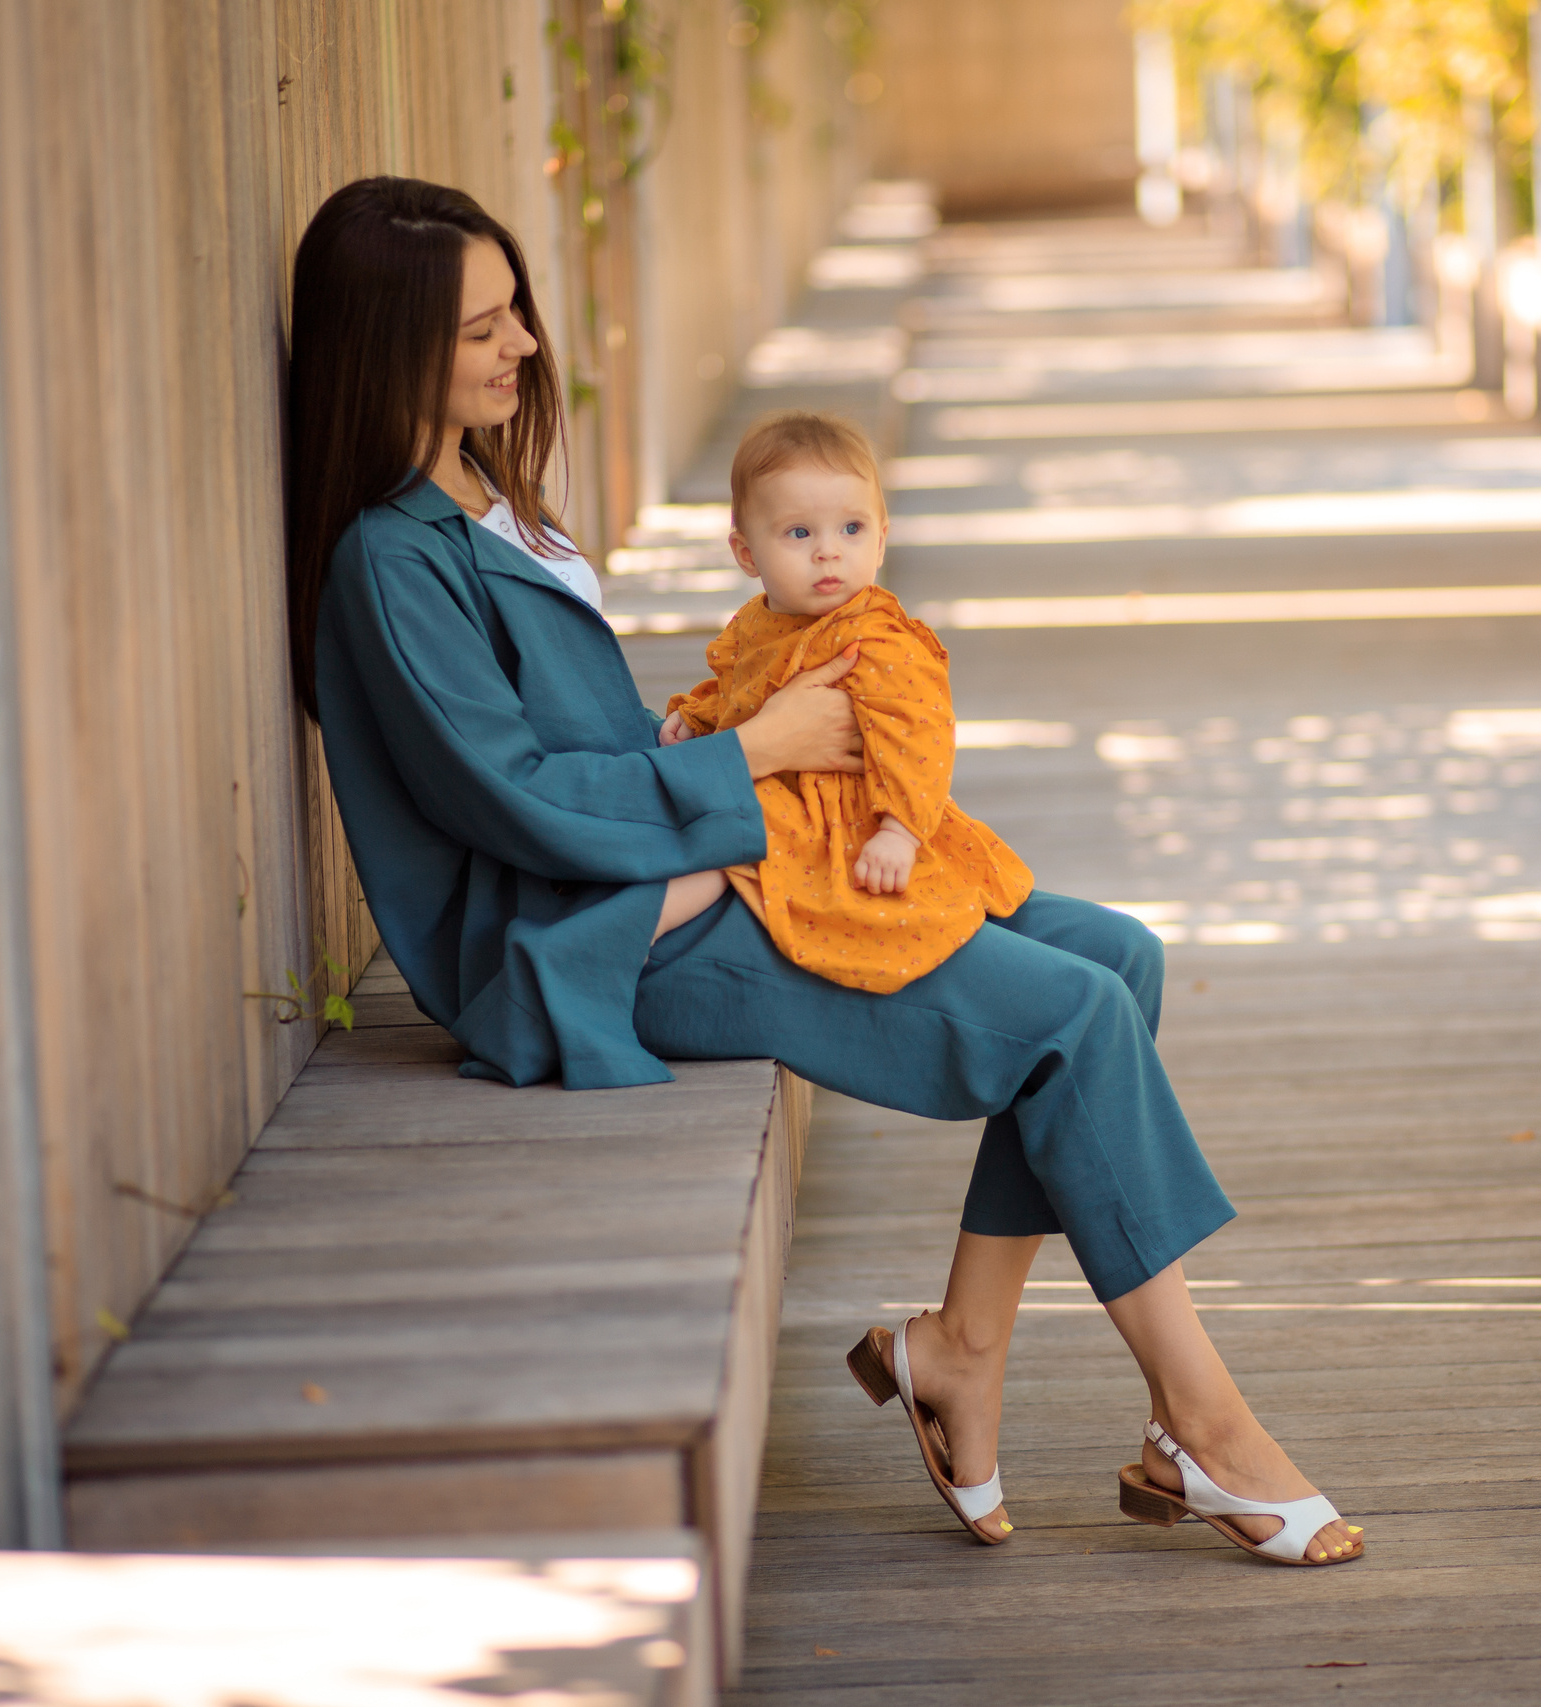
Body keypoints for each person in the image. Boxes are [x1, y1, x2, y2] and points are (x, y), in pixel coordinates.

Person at [284, 175, 1363, 1567]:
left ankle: (962, 1350)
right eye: (485, 328)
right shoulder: (391, 561)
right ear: (389, 351)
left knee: (1119, 957)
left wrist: (725, 736)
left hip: (705, 849)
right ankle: (1204, 1423)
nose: (526, 348)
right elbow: (522, 801)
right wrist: (764, 748)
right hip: (610, 930)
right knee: (1073, 1019)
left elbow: (586, 737)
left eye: (517, 313)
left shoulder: (484, 493)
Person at [657, 410, 1031, 995]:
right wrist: (698, 715)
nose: (828, 552)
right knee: (713, 825)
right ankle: (635, 931)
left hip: (851, 813)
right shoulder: (759, 620)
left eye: (851, 530)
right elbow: (741, 684)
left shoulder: (877, 640)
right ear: (747, 553)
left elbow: (920, 736)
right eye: (799, 533)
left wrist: (900, 833)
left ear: (881, 539)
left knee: (725, 837)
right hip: (778, 787)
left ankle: (632, 937)